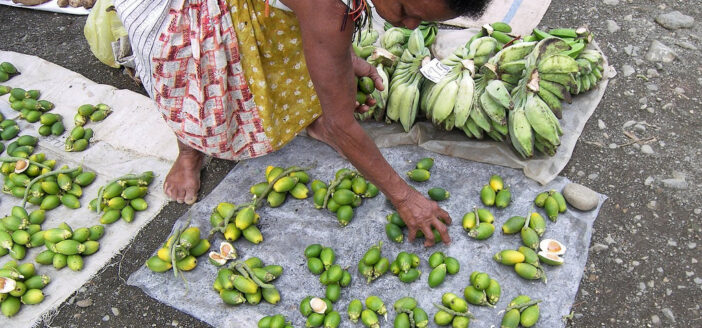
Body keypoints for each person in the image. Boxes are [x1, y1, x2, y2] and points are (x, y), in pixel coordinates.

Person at [114, 0, 489, 246]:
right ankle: (188, 150)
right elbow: (344, 122)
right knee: (198, 89)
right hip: (185, 14)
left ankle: (312, 112)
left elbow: (316, 30)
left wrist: (340, 61)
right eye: (408, 9)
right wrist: (405, 197)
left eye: (422, 21)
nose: (409, 25)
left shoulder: (329, 14)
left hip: (256, 9)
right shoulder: (328, 10)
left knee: (296, 50)